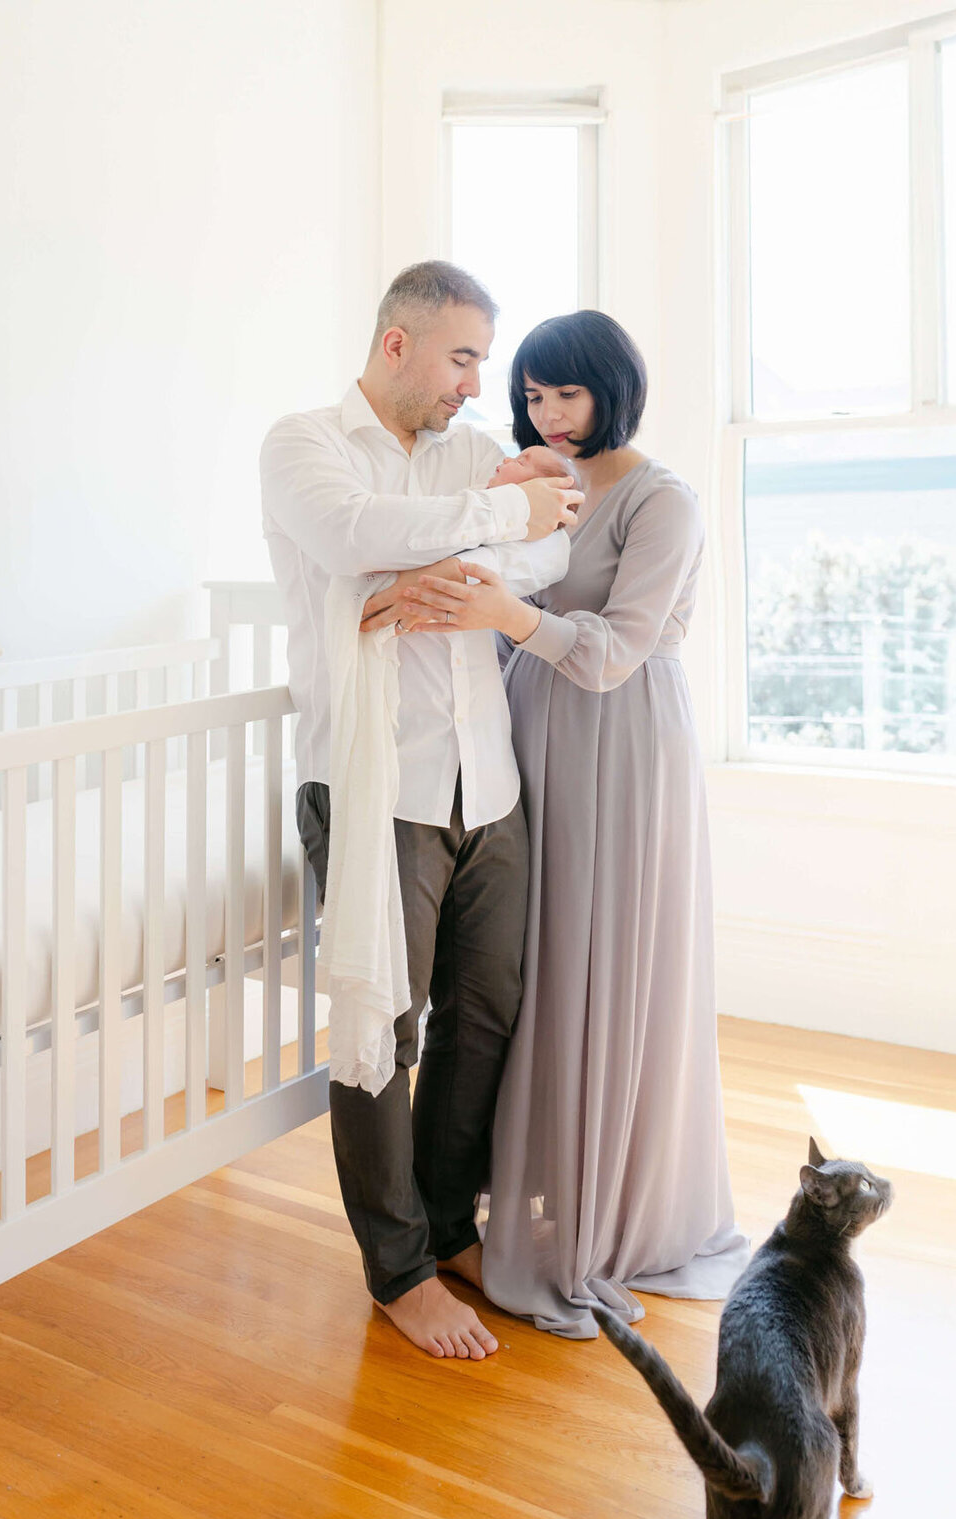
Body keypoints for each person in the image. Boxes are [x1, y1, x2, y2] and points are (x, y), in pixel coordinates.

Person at [388, 309, 751, 1338]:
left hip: (622, 742)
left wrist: (503, 615)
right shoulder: (542, 487)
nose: (548, 413)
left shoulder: (661, 500)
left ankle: (607, 1202)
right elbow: (503, 613)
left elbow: (615, 651)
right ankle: (510, 1191)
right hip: (526, 737)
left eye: (568, 394)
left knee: (612, 960)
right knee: (533, 969)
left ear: (613, 389)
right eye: (534, 396)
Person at [258, 262, 582, 1360]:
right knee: (381, 1029)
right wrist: (496, 519)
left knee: (483, 1013)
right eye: (463, 359)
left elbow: (554, 542)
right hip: (374, 786)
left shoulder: (467, 450)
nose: (476, 384)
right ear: (398, 343)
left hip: (485, 781)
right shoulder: (301, 444)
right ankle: (397, 1270)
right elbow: (354, 534)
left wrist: (453, 561)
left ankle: (449, 1229)